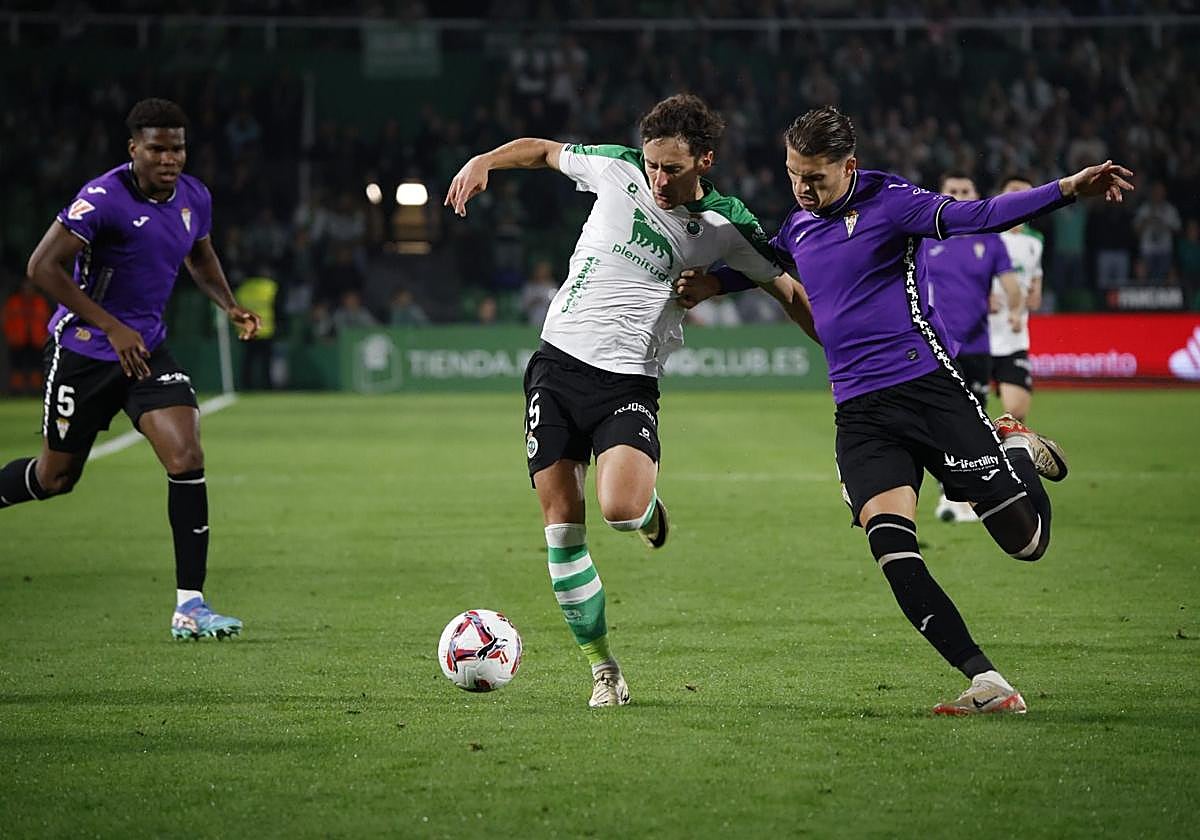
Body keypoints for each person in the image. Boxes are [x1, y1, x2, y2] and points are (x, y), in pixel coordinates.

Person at [678, 106, 1133, 715]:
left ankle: (1016, 447)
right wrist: (715, 283)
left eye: (815, 177)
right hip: (859, 413)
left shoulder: (891, 202)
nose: (802, 188)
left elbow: (980, 216)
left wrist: (1069, 188)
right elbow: (773, 261)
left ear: (849, 167)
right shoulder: (800, 224)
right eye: (793, 174)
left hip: (928, 391)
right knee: (893, 549)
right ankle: (987, 681)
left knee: (1027, 544)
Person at [444, 93, 812, 708]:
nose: (659, 180)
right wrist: (485, 160)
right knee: (562, 529)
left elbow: (787, 287)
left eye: (673, 168)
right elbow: (543, 151)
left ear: (705, 161)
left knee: (619, 510)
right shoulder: (617, 167)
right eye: (653, 165)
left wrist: (721, 287)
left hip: (627, 382)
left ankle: (648, 514)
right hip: (556, 367)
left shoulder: (726, 224)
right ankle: (604, 668)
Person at [0, 98, 262, 640]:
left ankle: (190, 606)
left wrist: (229, 304)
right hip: (85, 351)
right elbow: (41, 267)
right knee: (54, 478)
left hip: (146, 351)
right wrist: (111, 326)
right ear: (134, 149)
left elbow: (200, 256)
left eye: (178, 148)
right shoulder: (103, 198)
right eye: (158, 149)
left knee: (186, 454)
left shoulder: (194, 196)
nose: (170, 159)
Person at [920, 173, 1020, 523]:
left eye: (965, 190)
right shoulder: (924, 237)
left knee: (974, 424)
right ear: (940, 194)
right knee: (939, 421)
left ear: (976, 194)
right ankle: (950, 495)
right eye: (952, 191)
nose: (959, 196)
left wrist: (1016, 310)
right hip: (937, 343)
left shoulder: (990, 240)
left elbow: (1011, 285)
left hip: (977, 345)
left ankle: (974, 495)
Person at [991, 176, 1045, 422]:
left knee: (1017, 414)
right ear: (1001, 195)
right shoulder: (986, 233)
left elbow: (1034, 278)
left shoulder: (1035, 241)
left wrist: (1035, 292)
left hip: (1014, 334)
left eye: (1026, 193)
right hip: (979, 334)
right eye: (1014, 190)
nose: (1020, 197)